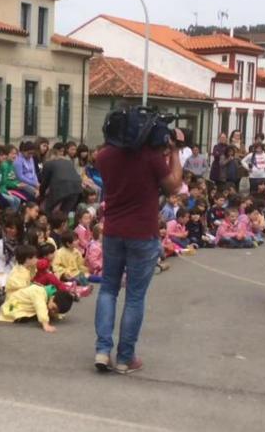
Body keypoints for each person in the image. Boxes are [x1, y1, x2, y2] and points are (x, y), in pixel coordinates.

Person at [92, 125, 183, 374]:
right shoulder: (151, 158)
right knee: (134, 296)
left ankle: (102, 350)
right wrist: (174, 152)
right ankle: (125, 357)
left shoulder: (105, 155)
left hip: (112, 230)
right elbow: (174, 186)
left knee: (108, 289)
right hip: (143, 232)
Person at [0, 284, 74, 333]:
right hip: (12, 305)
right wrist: (45, 324)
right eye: (53, 308)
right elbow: (40, 306)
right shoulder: (39, 292)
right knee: (39, 311)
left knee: (44, 311)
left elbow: (50, 308)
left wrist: (57, 315)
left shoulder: (49, 296)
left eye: (55, 311)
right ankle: (4, 309)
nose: (52, 311)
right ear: (52, 297)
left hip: (17, 303)